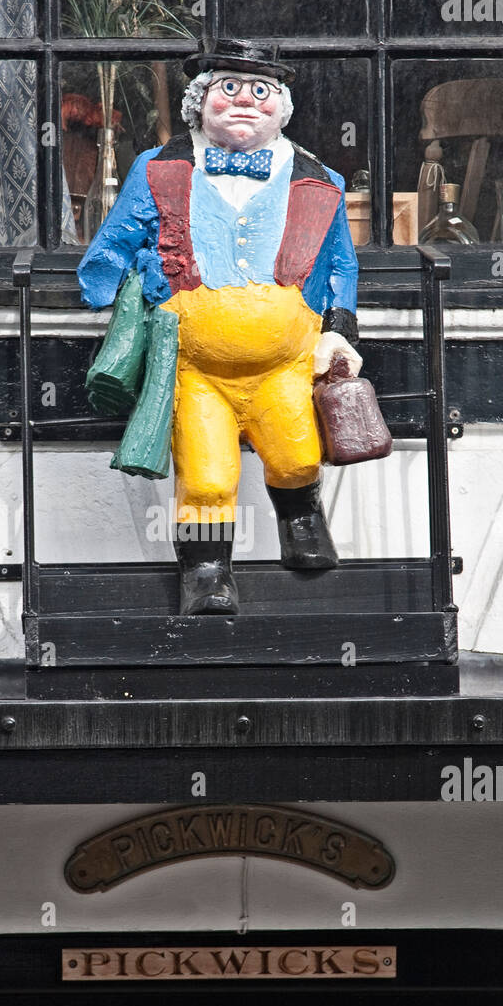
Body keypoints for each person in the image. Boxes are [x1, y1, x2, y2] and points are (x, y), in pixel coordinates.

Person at [78, 38, 361, 614]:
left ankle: (302, 523)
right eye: (227, 88)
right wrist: (103, 285)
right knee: (206, 479)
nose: (243, 102)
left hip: (283, 363)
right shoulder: (160, 168)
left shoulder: (320, 180)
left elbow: (339, 266)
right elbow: (120, 235)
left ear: (279, 106)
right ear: (200, 101)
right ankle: (207, 571)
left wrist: (339, 330)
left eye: (260, 91)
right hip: (195, 366)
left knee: (299, 455)